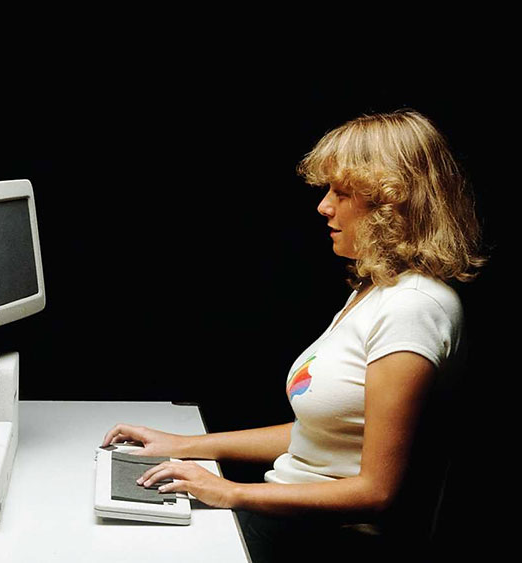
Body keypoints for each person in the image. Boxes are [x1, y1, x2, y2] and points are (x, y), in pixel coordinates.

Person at [101, 110, 485, 561]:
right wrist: (184, 446)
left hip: (328, 542)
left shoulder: (414, 307)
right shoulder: (376, 291)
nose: (324, 206)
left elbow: (376, 491)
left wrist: (229, 491)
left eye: (342, 193)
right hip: (289, 521)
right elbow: (320, 435)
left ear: (392, 204)